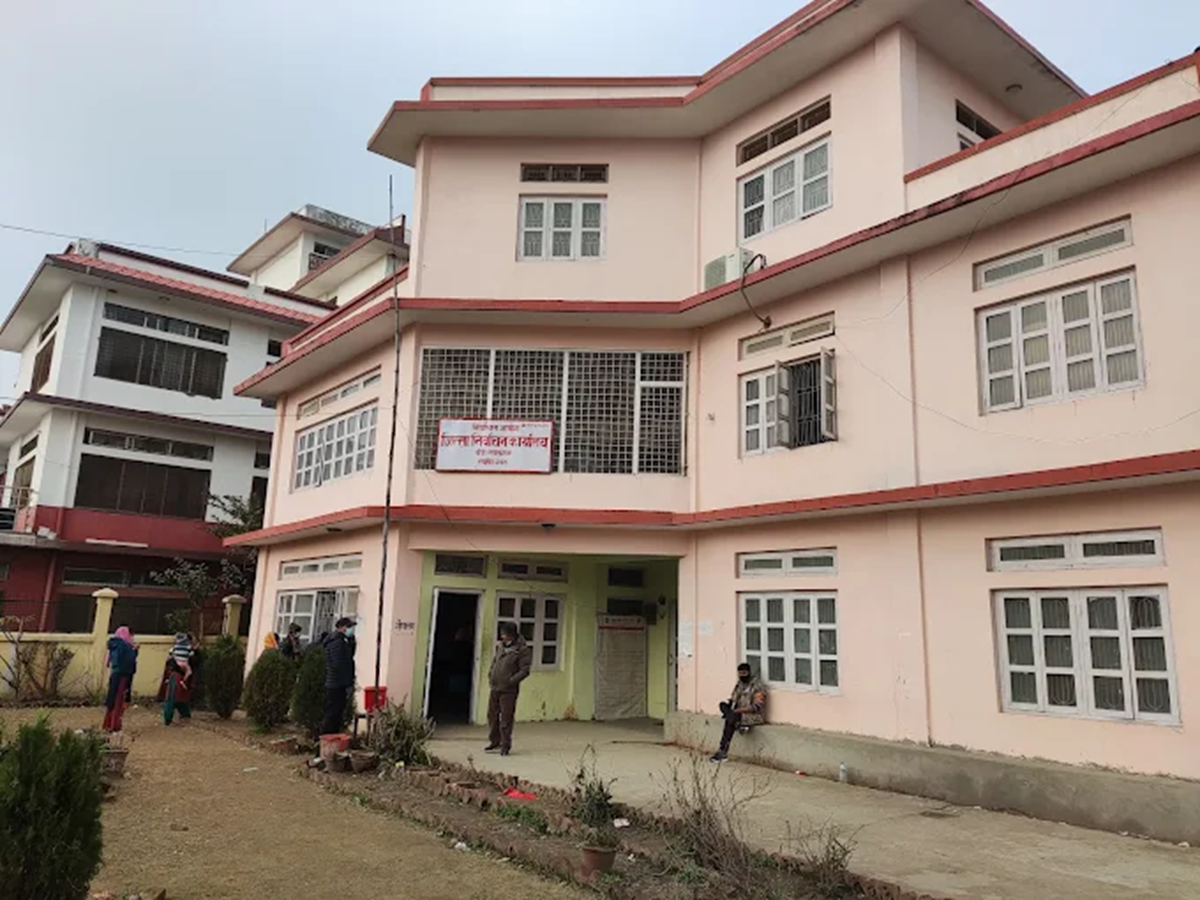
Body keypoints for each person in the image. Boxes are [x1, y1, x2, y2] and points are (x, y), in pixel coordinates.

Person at [485, 621, 532, 757]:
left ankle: (505, 745)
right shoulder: (500, 646)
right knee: (492, 715)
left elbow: (525, 670)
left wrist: (511, 681)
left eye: (504, 634)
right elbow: (495, 661)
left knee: (506, 718)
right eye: (502, 634)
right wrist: (491, 674)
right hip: (495, 686)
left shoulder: (522, 650)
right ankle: (495, 741)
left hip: (509, 690)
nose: (502, 636)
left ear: (511, 635)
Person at [710, 662, 767, 762]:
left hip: (753, 716)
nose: (742, 676)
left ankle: (723, 751)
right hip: (738, 713)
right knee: (723, 705)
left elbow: (757, 707)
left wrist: (738, 711)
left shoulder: (757, 686)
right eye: (740, 674)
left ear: (749, 672)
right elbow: (733, 699)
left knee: (730, 719)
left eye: (744, 673)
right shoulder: (739, 684)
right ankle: (737, 723)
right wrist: (730, 705)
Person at [320, 617, 356, 736]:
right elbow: (338, 664)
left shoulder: (342, 641)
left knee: (337, 714)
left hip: (338, 683)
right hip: (336, 684)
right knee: (332, 714)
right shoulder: (337, 642)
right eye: (349, 627)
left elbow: (348, 657)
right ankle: (325, 738)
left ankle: (332, 737)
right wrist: (347, 681)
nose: (351, 629)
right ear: (341, 627)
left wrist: (351, 643)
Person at [102, 625, 138, 732]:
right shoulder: (124, 646)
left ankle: (107, 724)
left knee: (112, 699)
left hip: (115, 673)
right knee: (118, 700)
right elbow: (128, 661)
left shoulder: (114, 644)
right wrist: (135, 650)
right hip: (123, 676)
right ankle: (114, 725)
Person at [157, 632, 194, 725]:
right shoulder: (188, 649)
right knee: (181, 695)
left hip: (174, 675)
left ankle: (169, 717)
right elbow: (191, 656)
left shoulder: (173, 649)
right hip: (182, 674)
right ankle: (183, 714)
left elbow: (170, 657)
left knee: (172, 696)